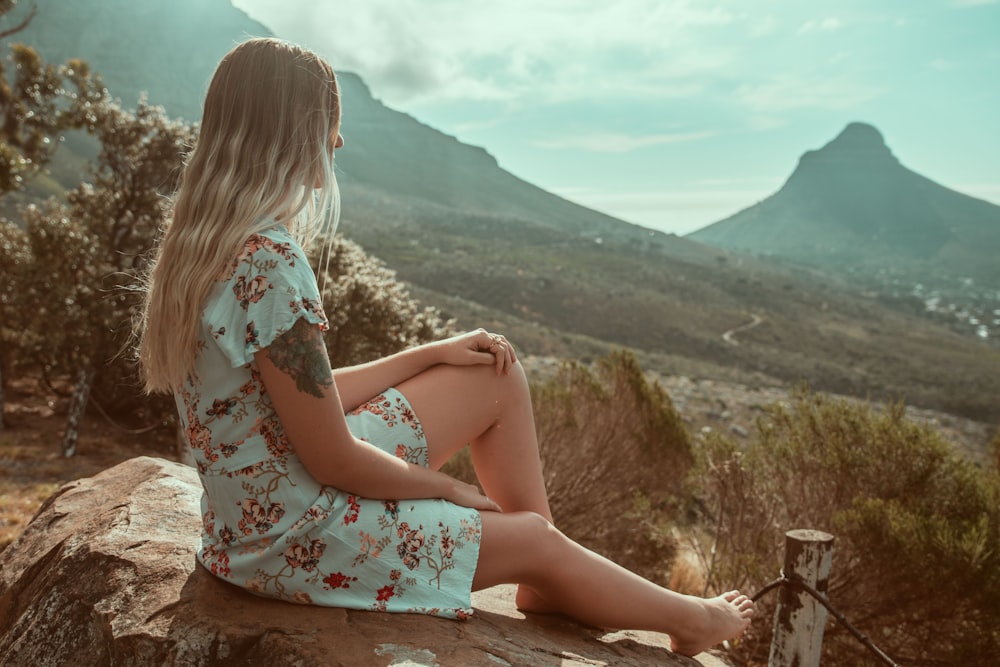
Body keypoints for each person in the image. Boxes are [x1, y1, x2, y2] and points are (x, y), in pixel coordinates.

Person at [136, 37, 753, 656]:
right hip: (297, 540)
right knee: (534, 537)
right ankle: (684, 616)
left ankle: (548, 580)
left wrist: (430, 353)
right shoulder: (269, 260)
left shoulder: (202, 246)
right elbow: (335, 461)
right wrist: (449, 490)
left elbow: (300, 402)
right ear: (292, 131)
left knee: (492, 373)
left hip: (249, 525)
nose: (338, 142)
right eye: (330, 124)